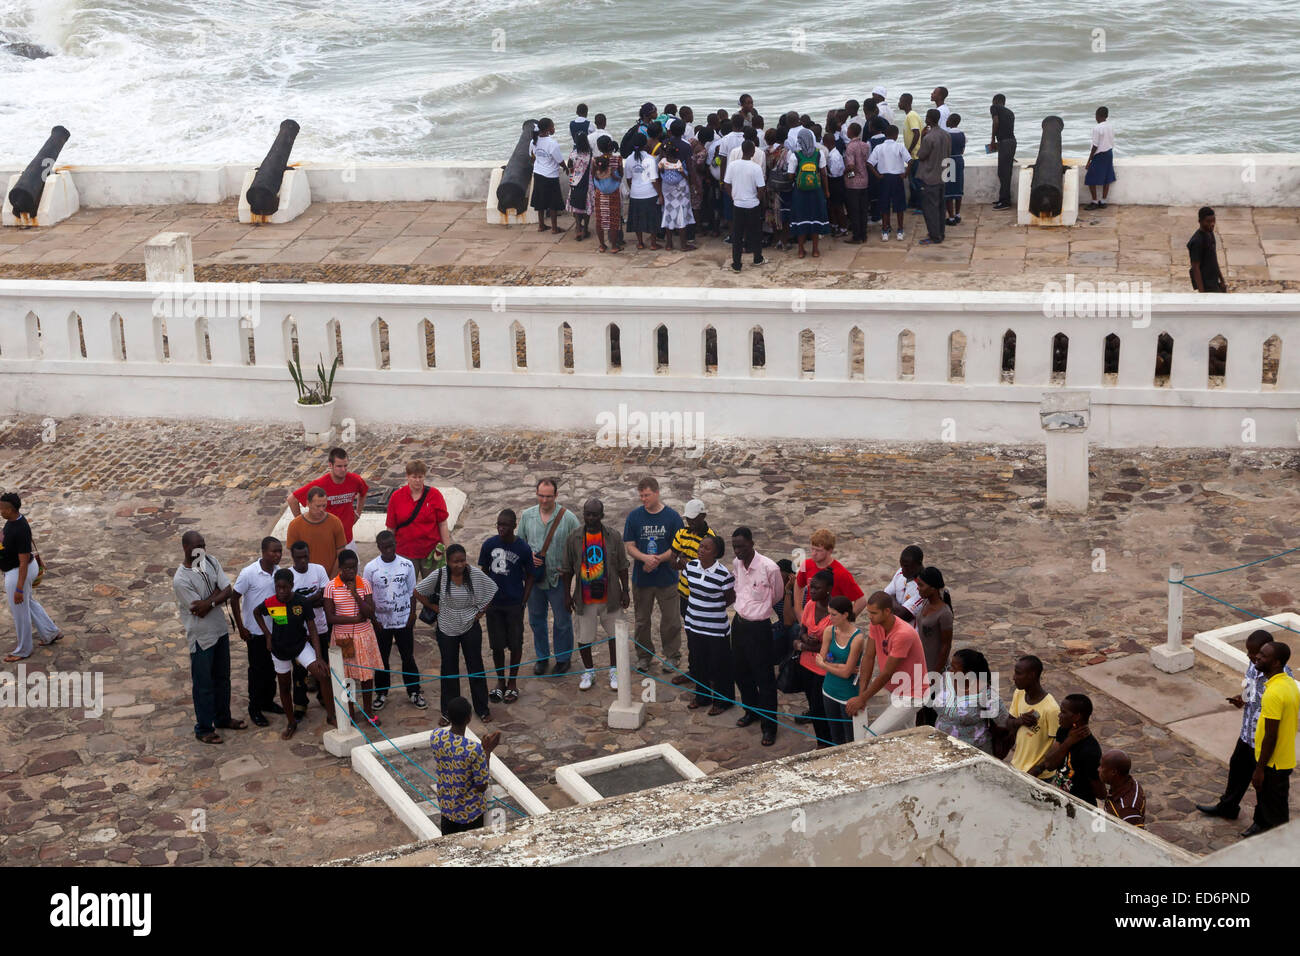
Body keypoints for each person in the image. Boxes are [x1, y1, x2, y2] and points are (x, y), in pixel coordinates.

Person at [1198, 629, 1295, 821]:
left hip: (1262, 741)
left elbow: (1274, 721)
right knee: (1237, 770)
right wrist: (1241, 699)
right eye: (1250, 652)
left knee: (1263, 785)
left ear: (1271, 655)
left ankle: (1261, 823)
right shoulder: (1254, 666)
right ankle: (1228, 807)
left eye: (1256, 653)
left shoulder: (1282, 679)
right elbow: (1252, 691)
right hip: (1247, 733)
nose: (1251, 657)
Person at [173, 531, 243, 744]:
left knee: (223, 679)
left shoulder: (211, 561)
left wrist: (210, 601)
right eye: (197, 546)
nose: (202, 550)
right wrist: (216, 597)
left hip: (220, 630)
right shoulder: (181, 579)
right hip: (201, 637)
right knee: (203, 684)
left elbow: (228, 590)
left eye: (203, 545)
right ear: (186, 548)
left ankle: (222, 717)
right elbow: (198, 610)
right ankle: (203, 728)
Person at [415, 543, 497, 725]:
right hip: (446, 627)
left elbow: (491, 589)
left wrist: (480, 612)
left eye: (462, 561)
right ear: (448, 562)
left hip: (470, 625)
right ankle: (448, 712)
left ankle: (482, 709)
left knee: (475, 667)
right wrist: (433, 607)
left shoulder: (474, 574)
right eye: (455, 562)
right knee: (449, 670)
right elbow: (418, 591)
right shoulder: (440, 574)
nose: (460, 565)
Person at [253, 568, 334, 740]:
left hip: (300, 647)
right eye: (278, 587)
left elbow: (312, 628)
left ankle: (331, 715)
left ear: (292, 586)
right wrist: (267, 635)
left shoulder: (302, 602)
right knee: (284, 686)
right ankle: (291, 722)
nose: (281, 591)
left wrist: (319, 657)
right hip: (279, 650)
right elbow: (257, 612)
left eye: (285, 587)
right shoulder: (271, 602)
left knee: (323, 675)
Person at [561, 498, 629, 691]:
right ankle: (589, 670)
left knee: (615, 635)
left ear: (602, 515)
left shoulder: (613, 536)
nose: (590, 518)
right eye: (587, 514)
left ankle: (614, 669)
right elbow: (567, 570)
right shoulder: (574, 538)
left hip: (611, 596)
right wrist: (567, 595)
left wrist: (625, 590)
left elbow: (623, 566)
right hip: (585, 596)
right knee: (584, 637)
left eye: (594, 514)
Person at [519, 477, 580, 675]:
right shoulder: (527, 516)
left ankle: (563, 658)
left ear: (556, 496)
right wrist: (529, 557)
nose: (544, 500)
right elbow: (520, 544)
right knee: (536, 619)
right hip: (534, 578)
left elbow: (578, 548)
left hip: (559, 578)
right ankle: (542, 657)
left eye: (548, 496)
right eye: (541, 496)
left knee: (562, 620)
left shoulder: (569, 518)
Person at [844, 591, 927, 735]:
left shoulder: (903, 634)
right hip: (896, 689)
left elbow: (887, 673)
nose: (870, 616)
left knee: (873, 734)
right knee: (906, 735)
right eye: (869, 612)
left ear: (887, 611)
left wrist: (862, 699)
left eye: (874, 613)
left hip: (912, 694)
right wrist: (861, 694)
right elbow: (869, 657)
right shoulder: (875, 624)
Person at [624, 476, 684, 674]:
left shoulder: (672, 517)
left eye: (647, 495)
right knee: (642, 621)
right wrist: (644, 558)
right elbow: (629, 546)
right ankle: (643, 656)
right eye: (641, 495)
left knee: (671, 620)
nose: (643, 499)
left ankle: (672, 655)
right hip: (642, 580)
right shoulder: (634, 517)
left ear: (657, 493)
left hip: (667, 579)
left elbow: (677, 547)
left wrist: (657, 559)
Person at [731, 527, 782, 746]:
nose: (738, 551)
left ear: (752, 543)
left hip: (759, 628)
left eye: (741, 546)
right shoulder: (736, 564)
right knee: (741, 672)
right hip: (739, 623)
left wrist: (759, 611)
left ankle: (769, 727)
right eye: (735, 546)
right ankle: (751, 711)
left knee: (765, 678)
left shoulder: (769, 568)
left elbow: (777, 594)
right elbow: (738, 588)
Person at [363, 530, 424, 712]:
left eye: (391, 546)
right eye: (384, 547)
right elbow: (368, 596)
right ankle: (381, 692)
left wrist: (412, 615)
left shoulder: (407, 565)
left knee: (408, 656)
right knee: (382, 658)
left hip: (403, 619)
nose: (388, 550)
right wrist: (374, 620)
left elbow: (412, 591)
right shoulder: (371, 568)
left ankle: (414, 690)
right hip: (382, 622)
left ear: (395, 544)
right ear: (379, 547)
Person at [1243, 640, 1298, 837]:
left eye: (1264, 655)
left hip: (1273, 762)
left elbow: (1271, 734)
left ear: (1276, 663)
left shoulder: (1274, 693)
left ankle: (1279, 846)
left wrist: (1259, 769)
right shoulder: (1288, 683)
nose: (1257, 656)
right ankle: (1261, 824)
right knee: (1267, 799)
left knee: (1277, 812)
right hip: (1281, 758)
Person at [478, 510, 533, 703]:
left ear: (514, 526)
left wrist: (523, 601)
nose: (502, 528)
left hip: (514, 604)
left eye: (506, 525)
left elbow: (531, 576)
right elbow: (484, 571)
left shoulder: (523, 548)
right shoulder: (489, 545)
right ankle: (500, 681)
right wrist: (486, 598)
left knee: (516, 643)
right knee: (497, 645)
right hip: (495, 605)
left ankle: (512, 682)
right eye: (499, 524)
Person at [324, 550, 384, 726]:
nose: (351, 571)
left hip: (363, 635)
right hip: (343, 637)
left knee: (366, 676)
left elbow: (370, 612)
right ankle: (349, 711)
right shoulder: (331, 586)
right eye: (347, 568)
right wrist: (353, 619)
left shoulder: (363, 583)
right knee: (347, 676)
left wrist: (356, 595)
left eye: (354, 567)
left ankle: (368, 711)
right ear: (340, 568)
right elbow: (330, 617)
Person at [1, 493, 61, 662]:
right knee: (29, 603)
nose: (0, 511)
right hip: (21, 568)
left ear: (9, 509)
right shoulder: (15, 520)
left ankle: (23, 650)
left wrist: (19, 588)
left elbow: (22, 562)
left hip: (19, 572)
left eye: (2, 508)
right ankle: (51, 632)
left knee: (20, 611)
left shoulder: (20, 529)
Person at [230, 536, 283, 726]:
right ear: (263, 552)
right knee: (257, 671)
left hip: (274, 630)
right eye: (273, 551)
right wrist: (241, 626)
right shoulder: (249, 573)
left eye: (279, 551)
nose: (277, 555)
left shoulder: (279, 573)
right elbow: (234, 598)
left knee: (272, 670)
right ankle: (255, 708)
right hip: (254, 632)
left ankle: (268, 702)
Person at [429, 696, 501, 835]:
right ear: (468, 719)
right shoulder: (473, 749)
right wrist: (487, 752)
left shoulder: (436, 736)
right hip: (470, 814)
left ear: (448, 716)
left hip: (447, 807)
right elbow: (482, 786)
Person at [682, 534, 735, 716]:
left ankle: (723, 700)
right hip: (693, 624)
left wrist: (711, 609)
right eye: (701, 546)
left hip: (715, 629)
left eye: (706, 548)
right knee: (698, 662)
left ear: (716, 553)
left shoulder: (723, 575)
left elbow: (729, 598)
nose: (701, 550)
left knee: (719, 666)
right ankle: (702, 696)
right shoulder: (690, 567)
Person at [1029, 693, 1105, 806]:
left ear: (1077, 716)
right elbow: (1050, 764)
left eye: (1064, 712)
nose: (1059, 715)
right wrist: (1068, 742)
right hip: (1060, 799)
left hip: (1078, 807)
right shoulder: (1063, 731)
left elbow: (1100, 793)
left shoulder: (1090, 750)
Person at [287, 447, 368, 549]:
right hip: (326, 541)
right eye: (339, 466)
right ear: (330, 465)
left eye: (345, 466)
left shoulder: (355, 480)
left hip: (348, 539)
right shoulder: (320, 484)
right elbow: (292, 499)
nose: (343, 470)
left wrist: (358, 513)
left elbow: (363, 492)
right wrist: (303, 523)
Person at [670, 500, 714, 685]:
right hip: (684, 593)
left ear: (703, 517)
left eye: (693, 520)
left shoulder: (711, 539)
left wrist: (685, 562)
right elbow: (673, 561)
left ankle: (709, 674)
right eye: (688, 519)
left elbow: (705, 567)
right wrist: (687, 563)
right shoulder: (682, 533)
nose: (689, 523)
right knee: (691, 634)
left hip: (701, 596)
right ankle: (694, 671)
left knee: (705, 636)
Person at [385, 460, 451, 582]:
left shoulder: (435, 495)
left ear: (424, 477)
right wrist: (389, 551)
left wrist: (448, 549)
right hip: (405, 553)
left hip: (431, 552)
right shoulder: (396, 497)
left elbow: (442, 523)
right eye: (414, 477)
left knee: (434, 588)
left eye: (420, 477)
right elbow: (391, 527)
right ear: (407, 477)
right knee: (406, 590)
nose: (417, 480)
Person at [931, 649, 1006, 755]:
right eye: (950, 666)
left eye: (954, 668)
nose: (950, 670)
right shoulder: (945, 679)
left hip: (972, 753)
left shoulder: (986, 693)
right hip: (942, 748)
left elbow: (1003, 721)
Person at [287, 539, 332, 718]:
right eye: (299, 558)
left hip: (320, 627)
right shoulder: (289, 575)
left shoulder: (318, 569)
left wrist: (303, 603)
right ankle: (300, 703)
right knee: (299, 671)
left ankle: (324, 696)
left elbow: (325, 595)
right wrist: (312, 600)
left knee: (324, 666)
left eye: (306, 556)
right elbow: (291, 605)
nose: (303, 561)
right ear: (293, 557)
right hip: (299, 632)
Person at [793, 568, 835, 745]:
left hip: (823, 669)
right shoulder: (810, 605)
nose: (812, 591)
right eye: (812, 587)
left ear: (828, 589)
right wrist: (804, 639)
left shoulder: (834, 612)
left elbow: (833, 645)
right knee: (814, 707)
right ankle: (821, 741)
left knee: (822, 708)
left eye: (817, 588)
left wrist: (806, 645)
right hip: (806, 664)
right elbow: (802, 628)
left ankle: (828, 742)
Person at [815, 596, 865, 746]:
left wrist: (828, 665)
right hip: (829, 690)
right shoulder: (829, 631)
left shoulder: (857, 638)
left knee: (851, 739)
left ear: (845, 615)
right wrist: (840, 666)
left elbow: (845, 673)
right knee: (836, 737)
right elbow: (820, 660)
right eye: (829, 613)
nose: (830, 618)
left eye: (833, 614)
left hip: (847, 695)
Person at [1007, 655, 1060, 778]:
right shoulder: (1019, 693)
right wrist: (1020, 721)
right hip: (1017, 766)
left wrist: (1038, 769)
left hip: (1039, 776)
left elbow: (1058, 746)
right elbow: (1008, 724)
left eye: (1018, 674)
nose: (1014, 678)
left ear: (1032, 675)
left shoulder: (1051, 709)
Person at [794, 529, 865, 616]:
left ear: (830, 551)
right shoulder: (806, 564)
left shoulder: (841, 573)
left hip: (829, 621)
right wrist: (799, 611)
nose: (813, 553)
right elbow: (798, 585)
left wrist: (845, 621)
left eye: (819, 550)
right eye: (812, 549)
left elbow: (861, 601)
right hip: (810, 619)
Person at [723, 139, 766, 272]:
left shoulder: (732, 165)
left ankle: (737, 264)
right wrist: (756, 200)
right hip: (752, 204)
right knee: (755, 233)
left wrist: (734, 196)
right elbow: (761, 188)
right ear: (753, 152)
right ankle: (757, 258)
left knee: (737, 235)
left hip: (738, 204)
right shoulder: (756, 167)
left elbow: (727, 184)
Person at [786, 128, 829, 259]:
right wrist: (826, 191)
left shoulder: (795, 155)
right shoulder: (819, 154)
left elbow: (790, 175)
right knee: (815, 218)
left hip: (800, 192)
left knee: (801, 219)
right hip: (816, 192)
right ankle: (815, 250)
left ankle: (800, 250)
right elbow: (823, 174)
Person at [287, 486, 347, 579]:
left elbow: (341, 552)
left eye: (324, 506)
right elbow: (294, 556)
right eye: (318, 506)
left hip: (332, 578)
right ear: (308, 503)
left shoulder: (335, 522)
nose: (321, 510)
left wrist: (331, 579)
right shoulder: (295, 525)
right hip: (306, 579)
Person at [868, 125, 910, 242]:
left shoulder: (878, 147)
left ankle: (885, 230)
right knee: (899, 206)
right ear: (896, 135)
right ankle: (900, 230)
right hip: (897, 178)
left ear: (885, 135)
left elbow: (870, 163)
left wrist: (877, 175)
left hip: (883, 179)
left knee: (884, 205)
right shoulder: (899, 146)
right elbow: (910, 161)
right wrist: (905, 174)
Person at [915, 109, 951, 245]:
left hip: (930, 177)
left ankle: (934, 235)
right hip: (943, 175)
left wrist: (922, 137)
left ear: (929, 119)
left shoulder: (929, 137)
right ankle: (940, 233)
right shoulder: (946, 135)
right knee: (941, 207)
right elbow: (949, 155)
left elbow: (921, 155)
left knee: (930, 209)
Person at [625, 134, 662, 251]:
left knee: (637, 219)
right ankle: (653, 244)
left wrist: (633, 189)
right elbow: (654, 180)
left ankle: (640, 243)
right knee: (653, 219)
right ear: (645, 145)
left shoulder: (629, 160)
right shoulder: (650, 159)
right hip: (650, 193)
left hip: (636, 193)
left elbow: (629, 179)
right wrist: (660, 194)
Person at [914, 566, 953, 676]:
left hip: (934, 668)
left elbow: (946, 646)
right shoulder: (925, 603)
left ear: (932, 588)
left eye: (921, 585)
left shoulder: (944, 613)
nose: (918, 588)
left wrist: (935, 673)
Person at [529, 117, 566, 234]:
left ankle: (541, 225)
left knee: (540, 201)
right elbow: (559, 160)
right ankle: (554, 228)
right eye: (553, 126)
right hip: (550, 175)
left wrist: (539, 163)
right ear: (548, 129)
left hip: (538, 174)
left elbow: (532, 156)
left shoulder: (533, 141)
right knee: (553, 203)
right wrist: (565, 167)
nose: (554, 128)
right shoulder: (552, 143)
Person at [657, 141, 696, 251]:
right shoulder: (678, 162)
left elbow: (659, 171)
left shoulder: (662, 161)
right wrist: (689, 180)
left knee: (668, 213)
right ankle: (683, 245)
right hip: (679, 191)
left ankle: (669, 244)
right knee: (680, 215)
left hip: (667, 191)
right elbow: (683, 173)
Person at [591, 135, 625, 254]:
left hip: (600, 194)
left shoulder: (595, 160)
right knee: (614, 219)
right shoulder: (617, 159)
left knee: (600, 220)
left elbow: (593, 175)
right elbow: (621, 175)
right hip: (613, 193)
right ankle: (614, 246)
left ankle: (602, 245)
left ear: (599, 148)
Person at [1100, 750, 1146, 828]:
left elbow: (1133, 836)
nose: (1098, 769)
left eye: (1102, 767)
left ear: (1113, 772)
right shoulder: (1125, 782)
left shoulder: (1127, 810)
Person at [843, 123, 871, 243]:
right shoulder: (865, 145)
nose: (847, 131)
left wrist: (846, 175)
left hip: (854, 183)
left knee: (854, 211)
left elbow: (851, 166)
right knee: (863, 210)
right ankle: (864, 235)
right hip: (865, 180)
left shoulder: (850, 147)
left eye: (848, 129)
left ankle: (856, 236)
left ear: (851, 132)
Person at [1084, 106, 1116, 210]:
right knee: (1107, 177)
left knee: (1090, 178)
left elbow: (1095, 146)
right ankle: (1103, 201)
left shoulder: (1097, 128)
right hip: (1109, 153)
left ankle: (1094, 201)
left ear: (1098, 116)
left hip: (1100, 155)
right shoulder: (1110, 126)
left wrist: (1089, 160)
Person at [1188, 206, 1227, 293]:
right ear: (1200, 221)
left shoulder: (1210, 234)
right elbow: (1195, 268)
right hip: (1206, 285)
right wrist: (1202, 293)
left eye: (1213, 221)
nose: (1212, 224)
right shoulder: (1196, 242)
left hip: (1214, 282)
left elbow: (1214, 259)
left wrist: (1222, 281)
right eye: (1208, 221)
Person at [884, 544, 925, 624]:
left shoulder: (924, 587)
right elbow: (884, 595)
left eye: (906, 566)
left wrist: (892, 599)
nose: (902, 570)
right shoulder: (900, 573)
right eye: (901, 565)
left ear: (918, 564)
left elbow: (902, 615)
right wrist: (898, 606)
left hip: (912, 633)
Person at [988, 94, 1016, 209]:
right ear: (1004, 102)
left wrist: (992, 139)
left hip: (1004, 143)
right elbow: (1008, 129)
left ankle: (1005, 202)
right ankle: (1002, 198)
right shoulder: (1010, 112)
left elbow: (996, 122)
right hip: (1011, 142)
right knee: (1005, 172)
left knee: (1003, 173)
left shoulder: (994, 107)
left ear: (995, 101)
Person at [565, 130, 594, 241]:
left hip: (575, 183)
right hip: (587, 183)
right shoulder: (590, 154)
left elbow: (569, 166)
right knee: (587, 207)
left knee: (576, 207)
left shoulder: (573, 154)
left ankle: (578, 229)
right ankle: (585, 229)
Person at [897, 94, 923, 211]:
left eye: (900, 101)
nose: (899, 103)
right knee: (912, 180)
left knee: (916, 181)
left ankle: (921, 205)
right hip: (913, 155)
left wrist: (909, 150)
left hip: (915, 155)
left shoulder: (911, 115)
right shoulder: (910, 115)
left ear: (906, 102)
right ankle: (913, 203)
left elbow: (917, 133)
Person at [944, 113, 965, 225]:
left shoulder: (946, 134)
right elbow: (962, 151)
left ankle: (951, 217)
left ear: (951, 121)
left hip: (948, 161)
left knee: (948, 190)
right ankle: (957, 214)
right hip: (959, 160)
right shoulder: (962, 134)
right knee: (958, 189)